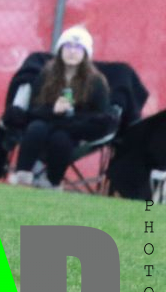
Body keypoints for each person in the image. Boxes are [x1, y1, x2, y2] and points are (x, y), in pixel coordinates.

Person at [7, 26, 112, 190]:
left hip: (75, 130)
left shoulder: (96, 82)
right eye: (68, 46)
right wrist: (53, 111)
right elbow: (34, 109)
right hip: (46, 121)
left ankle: (52, 182)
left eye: (78, 48)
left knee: (60, 138)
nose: (72, 52)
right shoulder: (46, 74)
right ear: (60, 49)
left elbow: (100, 118)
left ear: (85, 53)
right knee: (36, 128)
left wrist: (71, 116)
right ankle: (22, 176)